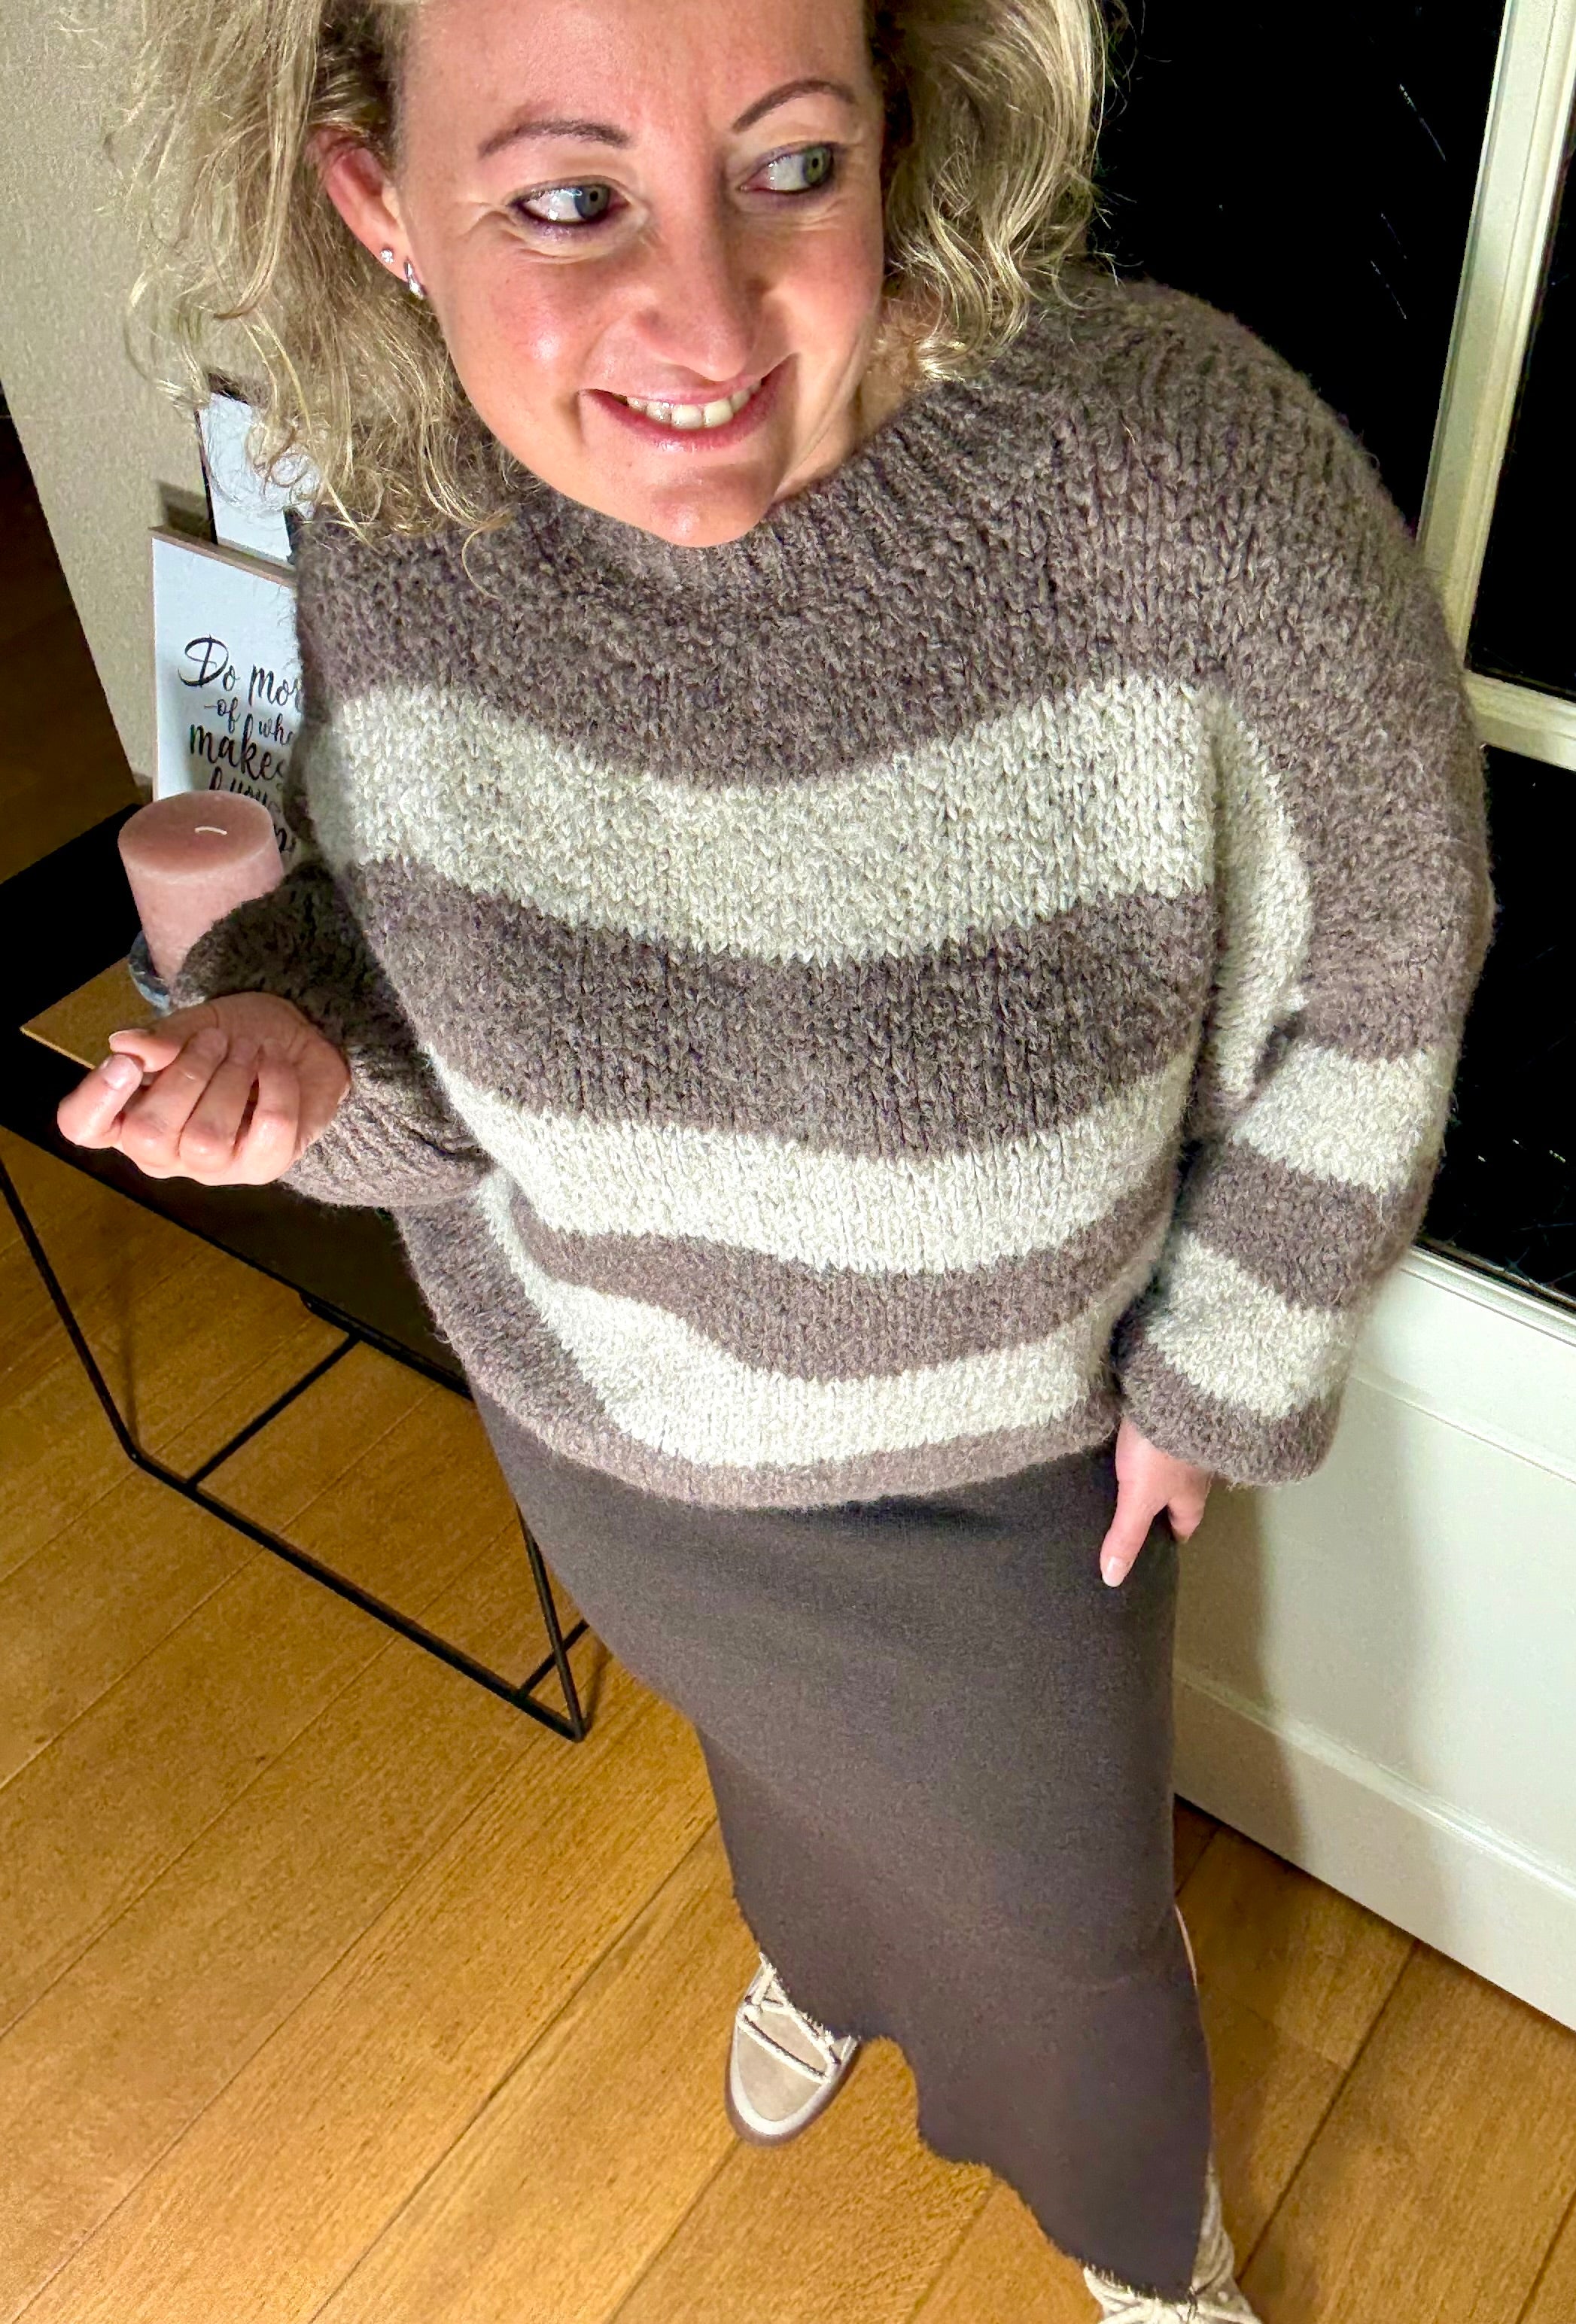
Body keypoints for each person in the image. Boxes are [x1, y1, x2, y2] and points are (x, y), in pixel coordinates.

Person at [62, 0, 1492, 2312]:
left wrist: (1227, 1364)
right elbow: (422, 1049)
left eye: (792, 165)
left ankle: (1143, 2248)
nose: (705, 326)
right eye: (568, 199)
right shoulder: (396, 521)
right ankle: (824, 1955)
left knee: (1068, 1928)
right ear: (376, 202)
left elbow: (1393, 955)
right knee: (765, 1763)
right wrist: (291, 1063)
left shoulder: (1180, 490)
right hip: (609, 1426)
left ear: (899, 111)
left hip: (997, 1469)